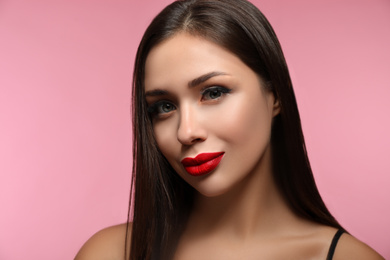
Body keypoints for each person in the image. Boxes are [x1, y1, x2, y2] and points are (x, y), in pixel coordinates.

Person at [75, 0, 384, 259]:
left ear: (274, 94)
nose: (187, 132)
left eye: (213, 93)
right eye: (164, 107)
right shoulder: (112, 253)